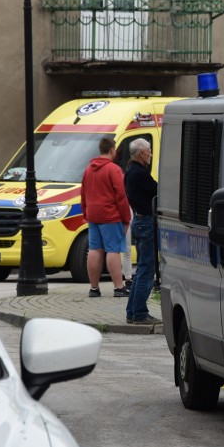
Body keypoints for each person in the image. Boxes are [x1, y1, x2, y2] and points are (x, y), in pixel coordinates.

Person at [80, 137, 131, 298]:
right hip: (110, 216)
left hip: (93, 215)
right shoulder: (113, 169)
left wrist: (86, 212)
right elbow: (121, 196)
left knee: (94, 249)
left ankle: (94, 288)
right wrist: (126, 218)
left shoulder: (88, 169)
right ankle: (118, 287)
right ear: (112, 150)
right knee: (113, 250)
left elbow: (83, 193)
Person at [123, 138, 161, 324]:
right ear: (141, 154)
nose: (151, 154)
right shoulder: (139, 173)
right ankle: (139, 313)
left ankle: (132, 312)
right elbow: (157, 190)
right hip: (145, 222)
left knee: (141, 270)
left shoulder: (131, 170)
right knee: (147, 269)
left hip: (138, 221)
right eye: (149, 151)